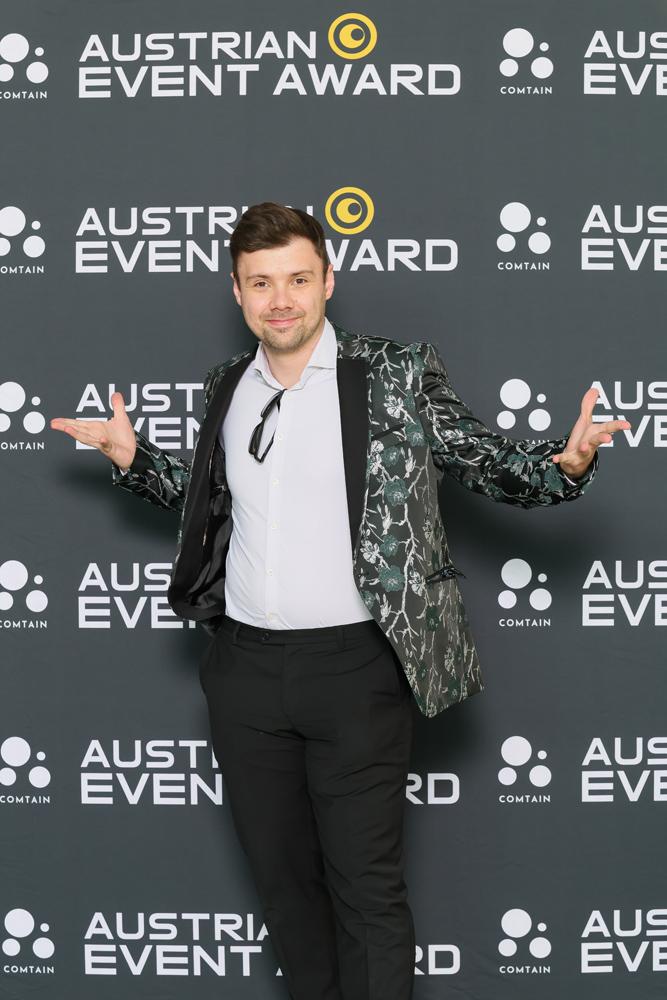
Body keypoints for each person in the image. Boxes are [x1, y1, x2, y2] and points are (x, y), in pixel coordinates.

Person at [50, 203, 631, 1000]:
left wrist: (565, 464)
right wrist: (134, 458)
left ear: (328, 280)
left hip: (357, 668)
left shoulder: (393, 372)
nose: (279, 299)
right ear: (237, 292)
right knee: (285, 891)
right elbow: (216, 505)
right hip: (245, 671)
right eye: (260, 283)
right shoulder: (228, 385)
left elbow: (484, 462)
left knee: (366, 891)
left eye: (296, 278)